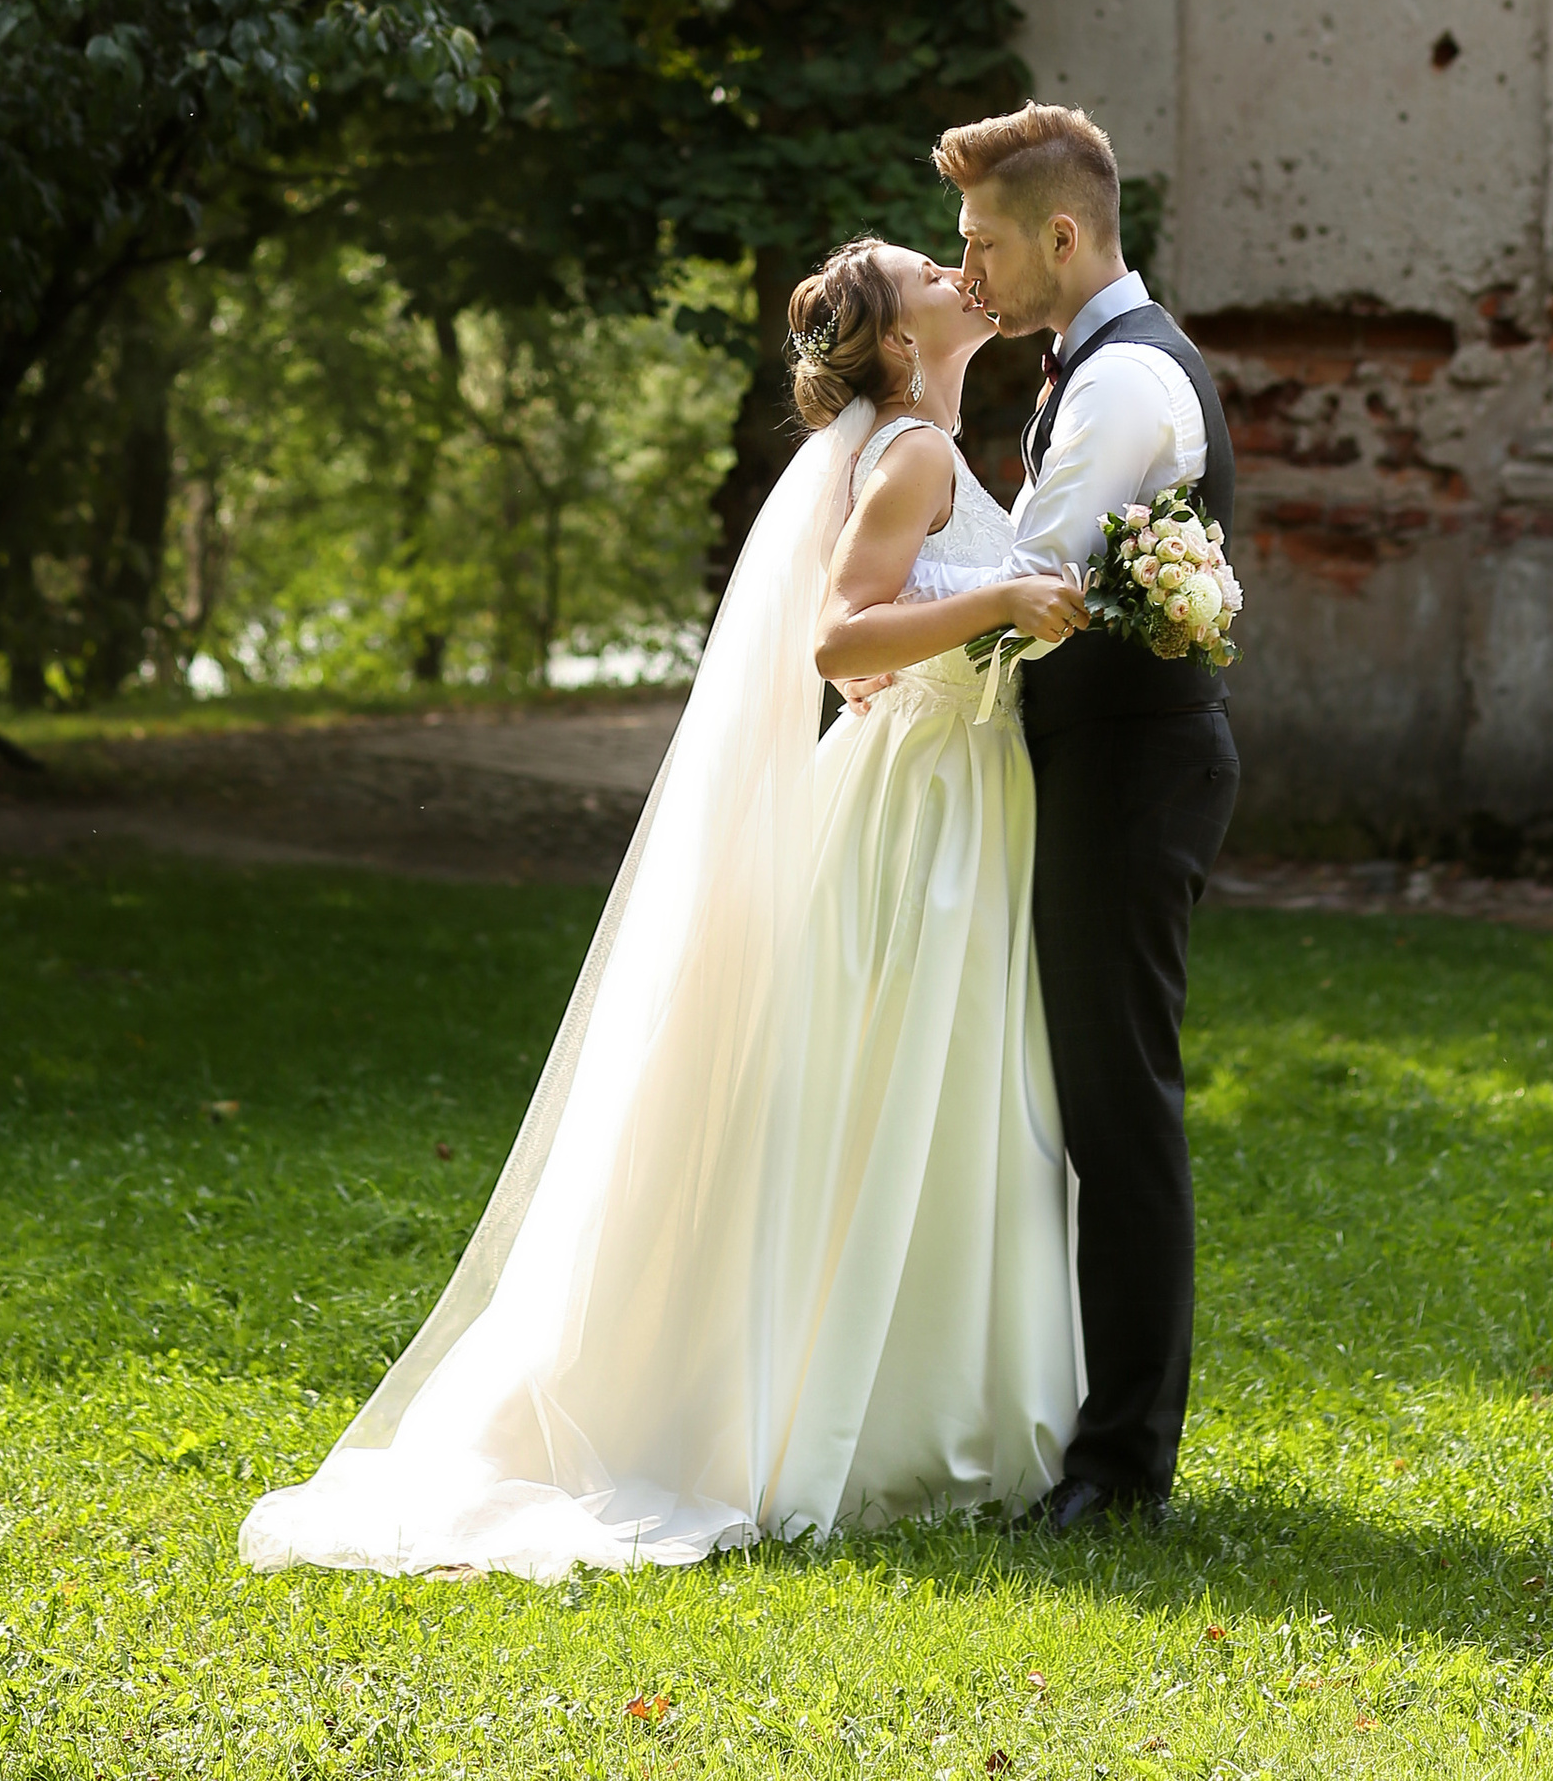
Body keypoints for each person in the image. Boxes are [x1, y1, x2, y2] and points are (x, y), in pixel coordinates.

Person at [238, 238, 1088, 1578]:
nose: (960, 268)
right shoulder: (914, 456)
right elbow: (836, 636)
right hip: (914, 809)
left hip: (948, 796)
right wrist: (1005, 599)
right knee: (885, 1083)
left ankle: (903, 1396)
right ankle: (855, 1412)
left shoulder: (923, 442)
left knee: (909, 1088)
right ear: (896, 332)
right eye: (935, 264)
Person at [940, 99, 1239, 1537]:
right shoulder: (1088, 368)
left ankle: (1122, 1469)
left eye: (986, 244)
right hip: (1098, 766)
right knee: (1079, 1102)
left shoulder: (1126, 386)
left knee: (1119, 1110)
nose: (971, 273)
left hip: (1131, 774)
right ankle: (1077, 1424)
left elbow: (1032, 600)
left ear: (1063, 234)